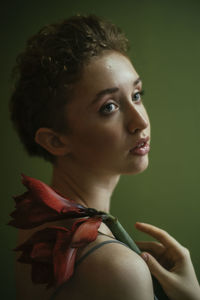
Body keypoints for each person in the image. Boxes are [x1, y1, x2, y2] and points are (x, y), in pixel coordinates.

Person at [9, 14, 200, 300]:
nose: (140, 121)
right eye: (108, 107)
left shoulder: (37, 231)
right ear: (56, 140)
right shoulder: (119, 270)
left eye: (136, 95)